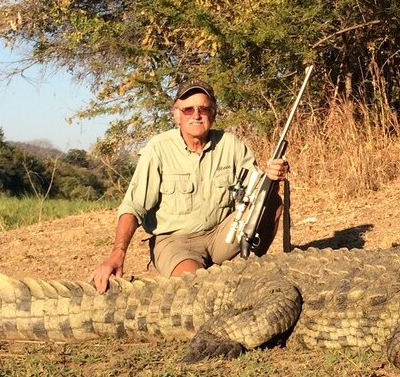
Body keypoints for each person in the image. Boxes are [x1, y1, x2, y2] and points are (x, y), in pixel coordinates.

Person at [91, 79, 288, 293]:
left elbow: (258, 193)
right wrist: (117, 254)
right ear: (176, 115)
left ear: (213, 113)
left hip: (220, 234)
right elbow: (133, 207)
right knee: (200, 290)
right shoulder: (158, 149)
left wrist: (272, 177)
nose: (196, 115)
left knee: (270, 202)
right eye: (188, 109)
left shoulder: (232, 145)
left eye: (203, 108)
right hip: (176, 242)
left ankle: (250, 265)